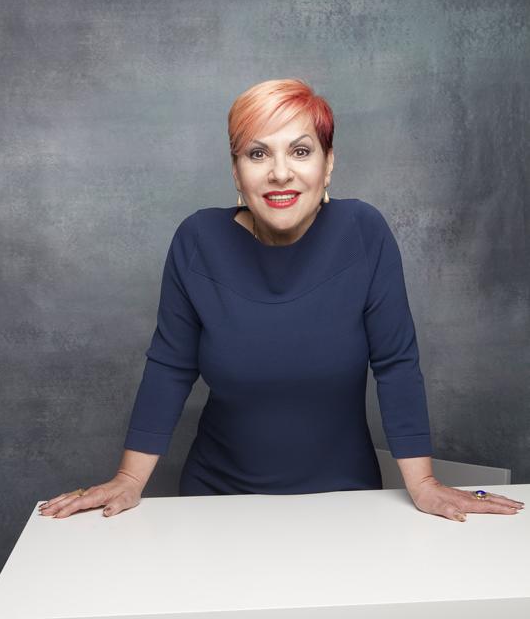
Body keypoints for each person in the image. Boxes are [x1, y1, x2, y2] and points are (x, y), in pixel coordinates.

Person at [39, 78, 524, 522]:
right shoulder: (197, 240)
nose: (280, 173)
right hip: (216, 502)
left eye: (300, 151)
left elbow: (396, 364)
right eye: (257, 154)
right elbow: (169, 366)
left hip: (345, 503)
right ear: (236, 172)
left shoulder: (364, 232)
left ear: (328, 164)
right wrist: (128, 480)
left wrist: (424, 484)